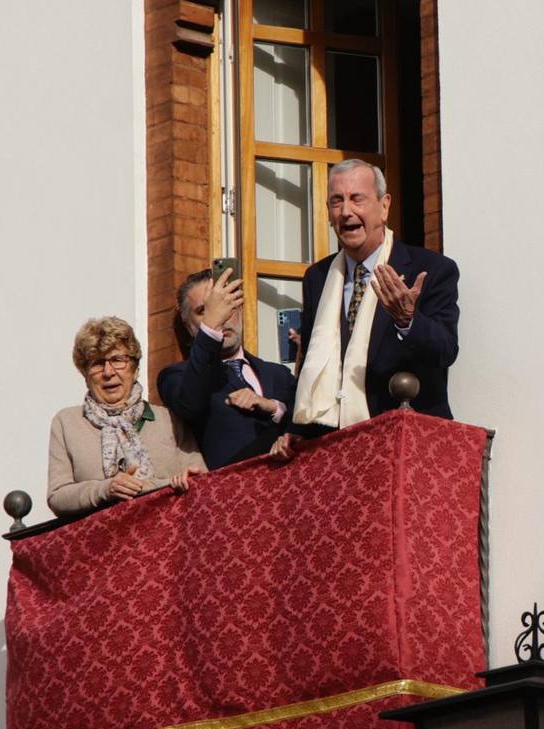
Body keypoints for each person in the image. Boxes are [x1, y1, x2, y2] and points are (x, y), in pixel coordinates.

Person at [276, 159, 460, 452]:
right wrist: (296, 429)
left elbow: (446, 350)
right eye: (336, 201)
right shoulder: (318, 278)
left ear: (384, 206)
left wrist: (407, 320)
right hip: (335, 449)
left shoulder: (431, 270)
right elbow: (313, 362)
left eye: (356, 199)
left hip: (404, 446)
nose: (346, 211)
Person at [48, 317, 205, 516]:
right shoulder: (67, 423)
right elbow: (58, 496)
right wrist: (106, 489)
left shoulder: (169, 419)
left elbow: (201, 481)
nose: (108, 372)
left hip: (169, 536)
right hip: (106, 541)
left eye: (117, 360)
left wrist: (152, 486)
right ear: (85, 375)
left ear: (135, 368)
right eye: (97, 363)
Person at [157, 268, 297, 468]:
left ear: (239, 309)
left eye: (226, 305)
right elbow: (190, 405)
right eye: (203, 311)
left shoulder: (278, 374)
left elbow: (308, 421)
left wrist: (274, 408)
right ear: (188, 325)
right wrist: (211, 325)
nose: (221, 317)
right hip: (234, 491)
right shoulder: (176, 376)